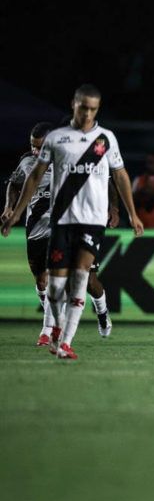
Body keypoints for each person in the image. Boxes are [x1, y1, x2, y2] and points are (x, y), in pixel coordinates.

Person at [1, 85, 143, 360]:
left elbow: (119, 175)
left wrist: (130, 212)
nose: (88, 113)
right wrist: (16, 212)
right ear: (74, 105)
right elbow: (32, 176)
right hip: (61, 220)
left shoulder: (105, 139)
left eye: (93, 109)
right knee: (54, 286)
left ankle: (65, 340)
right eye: (84, 107)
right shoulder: (57, 139)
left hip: (91, 221)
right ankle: (54, 327)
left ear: (97, 109)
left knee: (83, 279)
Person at [5, 123, 120, 344]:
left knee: (87, 281)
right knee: (41, 281)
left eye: (40, 147)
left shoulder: (72, 157)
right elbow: (15, 183)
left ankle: (96, 315)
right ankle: (54, 330)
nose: (36, 151)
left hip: (71, 224)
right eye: (33, 146)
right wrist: (10, 209)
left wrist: (113, 208)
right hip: (36, 229)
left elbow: (108, 180)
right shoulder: (29, 162)